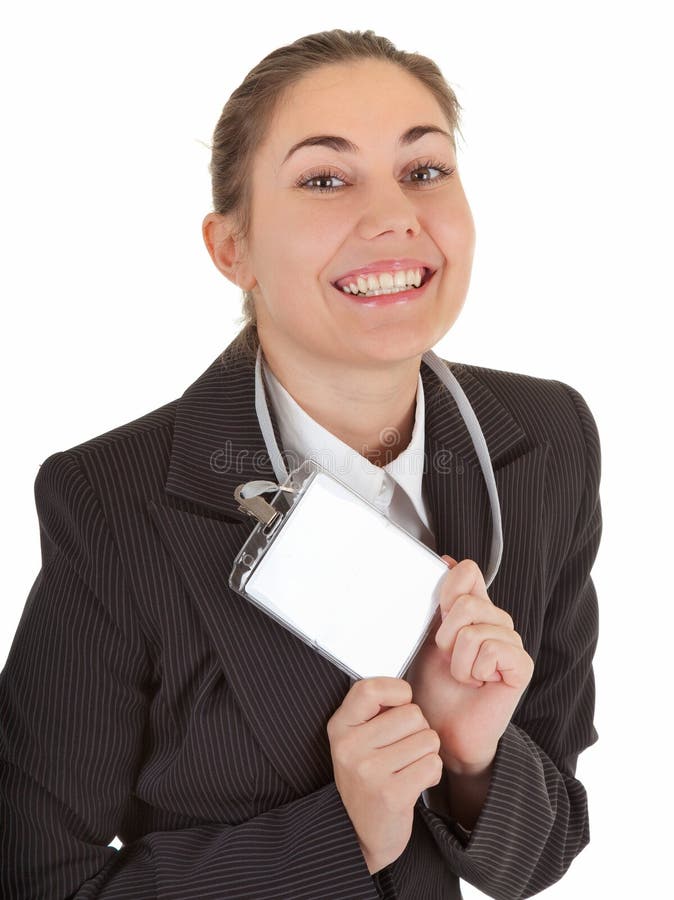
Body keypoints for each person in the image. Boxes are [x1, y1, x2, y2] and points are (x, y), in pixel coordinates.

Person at [0, 28, 601, 900]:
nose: (396, 215)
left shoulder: (548, 442)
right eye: (326, 179)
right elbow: (33, 878)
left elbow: (540, 855)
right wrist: (340, 836)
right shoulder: (113, 502)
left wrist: (475, 761)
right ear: (230, 248)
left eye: (424, 170)